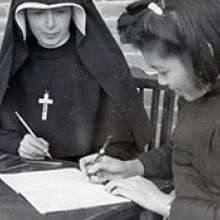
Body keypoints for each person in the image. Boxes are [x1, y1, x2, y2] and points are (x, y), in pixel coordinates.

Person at [80, 0, 220, 219]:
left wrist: (166, 204)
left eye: (163, 71)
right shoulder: (193, 94)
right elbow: (181, 151)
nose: (161, 82)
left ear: (202, 55)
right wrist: (129, 167)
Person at [0, 0, 152, 162]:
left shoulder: (101, 63)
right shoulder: (14, 65)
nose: (50, 25)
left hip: (82, 174)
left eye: (60, 12)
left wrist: (101, 160)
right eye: (38, 14)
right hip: (22, 170)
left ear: (74, 12)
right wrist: (17, 144)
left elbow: (121, 142)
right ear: (24, 16)